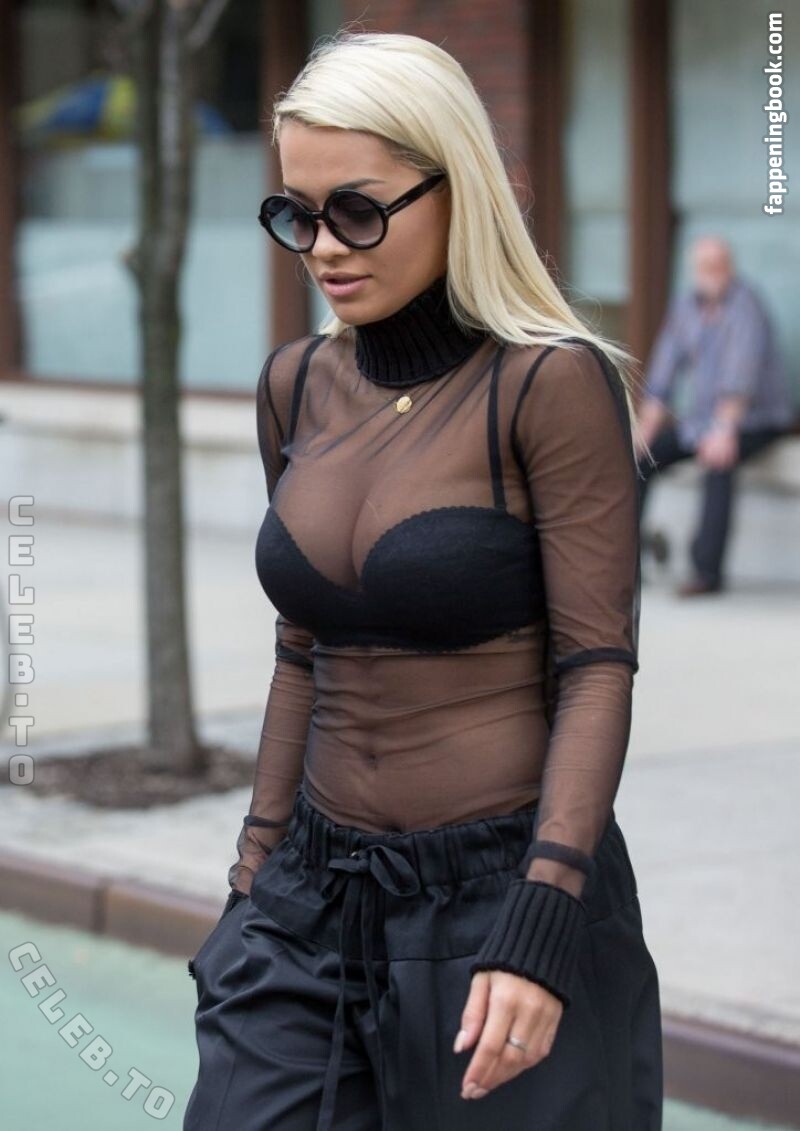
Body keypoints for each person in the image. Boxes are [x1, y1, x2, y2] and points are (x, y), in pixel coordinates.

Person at [183, 30, 663, 1131]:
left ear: (457, 191)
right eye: (296, 215)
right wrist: (249, 885)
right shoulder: (293, 385)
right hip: (309, 899)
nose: (322, 248)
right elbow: (301, 650)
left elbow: (596, 667)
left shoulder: (548, 385)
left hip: (502, 896)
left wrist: (544, 915)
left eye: (357, 211)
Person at [635, 236, 795, 596]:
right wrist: (645, 430)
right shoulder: (685, 306)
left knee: (719, 458)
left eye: (719, 265)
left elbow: (739, 378)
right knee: (643, 458)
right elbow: (662, 374)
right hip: (703, 421)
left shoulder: (746, 305)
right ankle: (626, 559)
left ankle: (706, 573)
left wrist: (723, 429)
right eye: (705, 266)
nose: (712, 273)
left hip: (757, 420)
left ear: (730, 268)